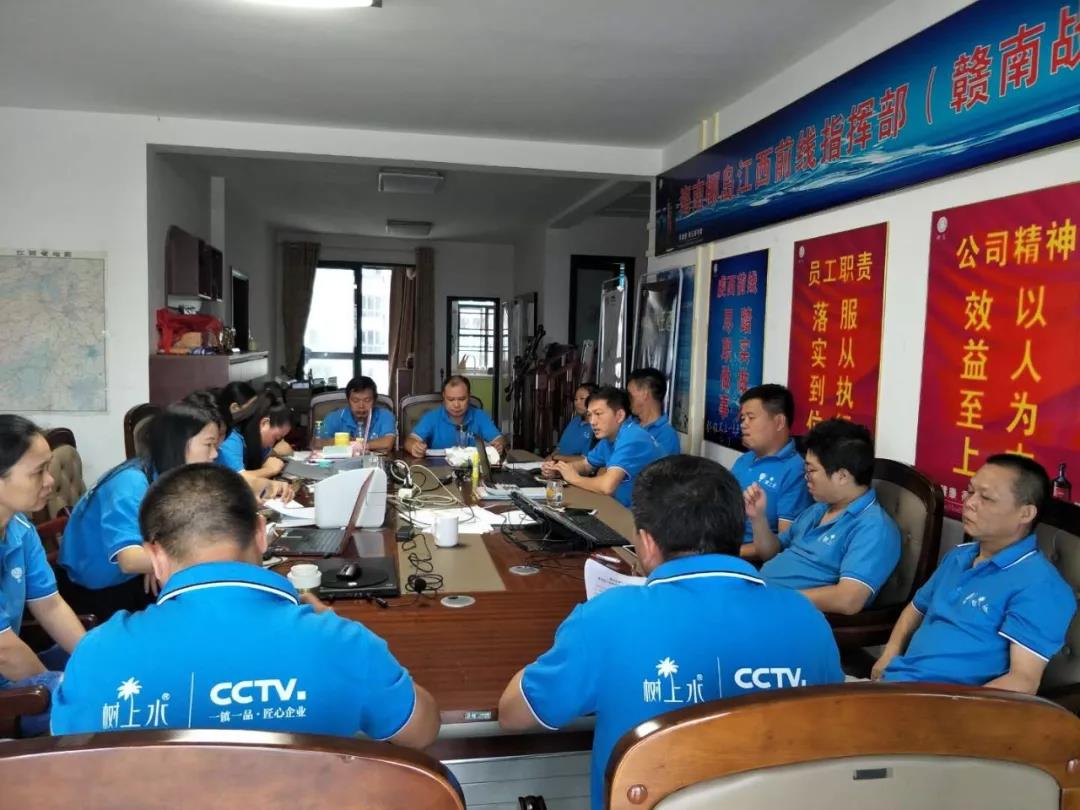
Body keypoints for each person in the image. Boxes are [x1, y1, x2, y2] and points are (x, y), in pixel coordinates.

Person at [498, 455, 843, 810]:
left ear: (647, 543)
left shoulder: (605, 617)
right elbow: (834, 732)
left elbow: (514, 715)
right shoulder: (808, 618)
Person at [51, 463, 440, 748]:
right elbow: (422, 731)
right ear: (260, 534)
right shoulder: (341, 642)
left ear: (155, 557)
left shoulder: (97, 654)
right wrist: (335, 629)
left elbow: (70, 769)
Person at [876, 455, 1076, 693]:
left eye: (986, 498)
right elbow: (915, 609)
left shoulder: (1040, 585)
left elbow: (1023, 681)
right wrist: (889, 654)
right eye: (970, 492)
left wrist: (952, 709)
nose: (969, 503)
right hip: (896, 684)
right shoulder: (959, 556)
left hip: (943, 704)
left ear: (1026, 513)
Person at [56, 402, 220, 620]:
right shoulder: (131, 483)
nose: (215, 454)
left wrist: (153, 562)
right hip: (94, 592)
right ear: (179, 443)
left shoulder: (163, 472)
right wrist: (208, 556)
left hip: (128, 579)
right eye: (209, 444)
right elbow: (130, 560)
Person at [745, 418, 900, 615]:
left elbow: (848, 600)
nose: (806, 477)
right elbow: (771, 552)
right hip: (761, 598)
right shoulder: (820, 508)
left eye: (811, 470)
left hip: (791, 614)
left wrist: (777, 598)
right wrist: (758, 518)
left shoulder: (873, 528)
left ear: (842, 476)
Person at [0, 415, 87, 735]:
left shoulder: (20, 529)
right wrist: (56, 691)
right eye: (38, 472)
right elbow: (4, 651)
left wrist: (94, 662)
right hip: (8, 683)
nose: (50, 481)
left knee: (113, 662)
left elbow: (49, 605)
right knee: (96, 707)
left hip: (12, 675)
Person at [542, 386, 662, 508]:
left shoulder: (631, 437)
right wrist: (559, 470)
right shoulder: (610, 437)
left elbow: (607, 486)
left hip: (649, 514)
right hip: (624, 507)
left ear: (619, 415)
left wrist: (574, 479)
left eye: (598, 414)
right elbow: (586, 465)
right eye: (590, 415)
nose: (592, 421)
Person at [731, 385, 813, 555]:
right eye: (743, 418)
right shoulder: (744, 460)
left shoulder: (795, 470)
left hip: (749, 559)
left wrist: (727, 554)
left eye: (751, 418)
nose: (743, 424)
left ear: (779, 422)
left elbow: (784, 544)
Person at [405, 375, 504, 457]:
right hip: (439, 469)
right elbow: (410, 441)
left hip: (472, 468)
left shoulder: (480, 416)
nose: (456, 405)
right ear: (444, 397)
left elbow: (499, 439)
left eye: (462, 399)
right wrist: (414, 447)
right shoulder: (431, 417)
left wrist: (498, 446)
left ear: (469, 396)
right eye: (451, 399)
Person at [217, 389, 292, 481]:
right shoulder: (231, 439)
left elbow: (271, 455)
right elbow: (238, 479)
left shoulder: (255, 439)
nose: (272, 444)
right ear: (264, 423)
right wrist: (269, 470)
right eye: (276, 438)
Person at [316, 376, 396, 453]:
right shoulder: (333, 418)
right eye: (355, 400)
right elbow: (316, 444)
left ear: (374, 400)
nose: (361, 406)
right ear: (348, 400)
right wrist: (343, 442)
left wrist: (361, 445)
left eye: (367, 400)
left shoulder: (385, 416)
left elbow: (387, 444)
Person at [626, 367, 681, 456]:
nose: (628, 399)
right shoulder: (627, 422)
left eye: (630, 395)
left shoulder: (666, 436)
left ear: (645, 394)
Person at [550, 383, 597, 460]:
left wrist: (556, 458)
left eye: (581, 398)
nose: (577, 403)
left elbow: (585, 459)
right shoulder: (575, 421)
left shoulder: (596, 427)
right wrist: (551, 457)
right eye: (575, 399)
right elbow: (559, 448)